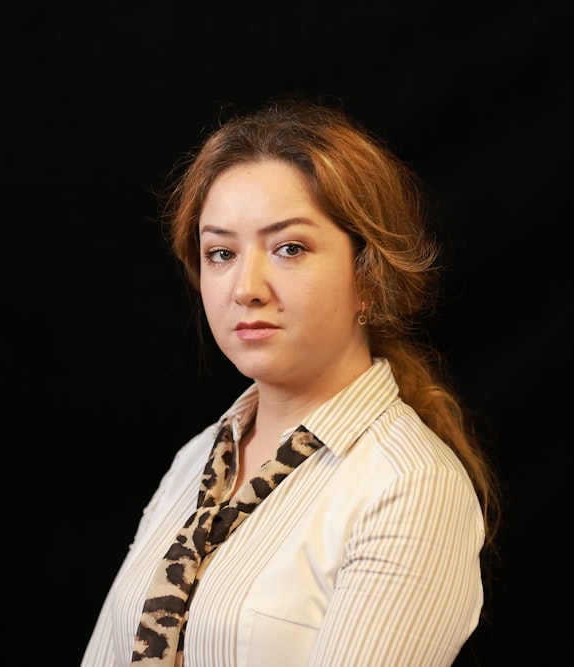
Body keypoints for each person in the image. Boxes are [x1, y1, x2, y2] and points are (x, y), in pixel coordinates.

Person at [81, 95, 501, 667]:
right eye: (221, 252)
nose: (245, 286)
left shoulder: (410, 487)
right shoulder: (194, 462)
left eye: (289, 248)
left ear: (369, 275)